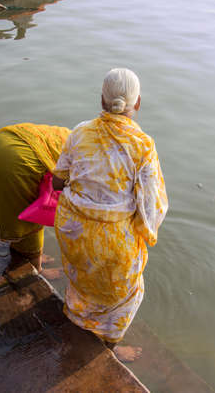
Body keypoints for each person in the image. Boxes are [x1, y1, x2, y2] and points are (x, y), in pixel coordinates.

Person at [52, 68, 168, 362]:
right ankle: (109, 346)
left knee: (83, 281)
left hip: (73, 230)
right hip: (113, 241)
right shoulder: (143, 145)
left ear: (101, 101)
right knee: (124, 295)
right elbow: (152, 206)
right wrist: (143, 231)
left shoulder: (79, 132)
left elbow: (57, 181)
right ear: (138, 102)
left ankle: (78, 320)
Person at [0, 123, 70, 274]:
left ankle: (27, 255)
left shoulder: (81, 135)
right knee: (32, 217)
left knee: (17, 213)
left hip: (0, 143)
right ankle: (36, 269)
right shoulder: (96, 163)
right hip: (18, 161)